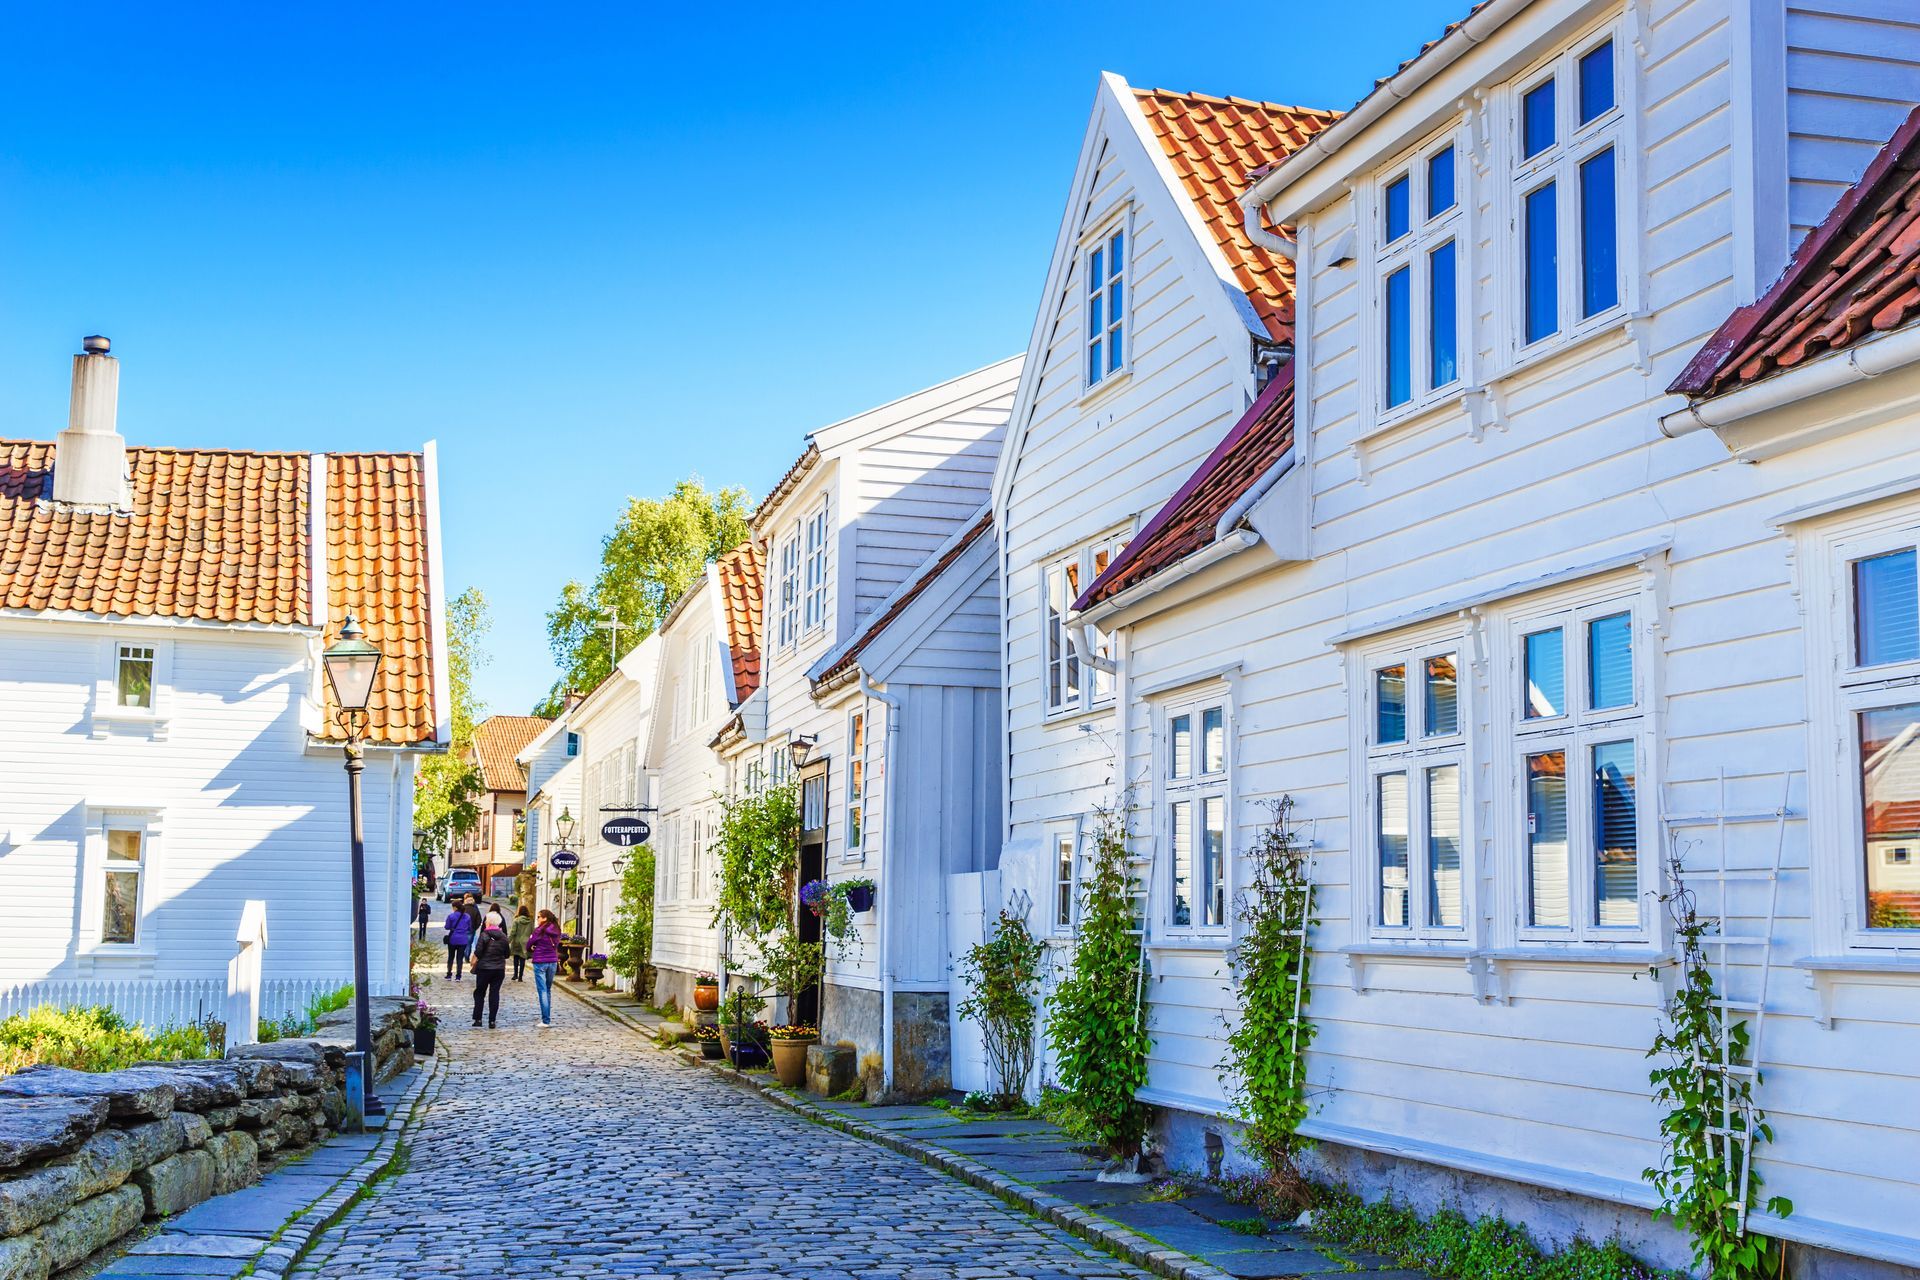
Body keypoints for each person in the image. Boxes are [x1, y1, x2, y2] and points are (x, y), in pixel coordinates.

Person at [470, 917, 510, 1029]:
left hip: (484, 969)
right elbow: (507, 954)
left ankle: (478, 1019)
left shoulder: (484, 935)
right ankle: (492, 1021)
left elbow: (478, 951)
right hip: (498, 969)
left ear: (489, 923)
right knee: (494, 993)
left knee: (479, 993)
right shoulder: (503, 936)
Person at [528, 909, 562, 1028]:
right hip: (552, 961)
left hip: (540, 961)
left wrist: (533, 947)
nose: (537, 919)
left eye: (539, 917)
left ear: (545, 918)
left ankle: (545, 1020)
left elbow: (529, 944)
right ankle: (546, 1019)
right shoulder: (556, 929)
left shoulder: (539, 930)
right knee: (547, 990)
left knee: (542, 991)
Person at [443, 901, 474, 979]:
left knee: (451, 957)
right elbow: (470, 928)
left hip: (453, 939)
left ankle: (449, 974)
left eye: (452, 907)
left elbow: (447, 927)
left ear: (455, 907)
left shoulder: (451, 916)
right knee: (460, 958)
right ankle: (458, 976)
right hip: (463, 939)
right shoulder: (467, 917)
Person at [509, 906, 533, 982]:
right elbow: (533, 932)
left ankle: (515, 974)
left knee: (516, 958)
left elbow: (513, 932)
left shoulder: (516, 920)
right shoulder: (530, 921)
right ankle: (520, 977)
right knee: (522, 959)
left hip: (516, 941)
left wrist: (508, 941)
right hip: (525, 942)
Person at [461, 894, 483, 965]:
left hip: (462, 929)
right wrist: (475, 927)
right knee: (469, 944)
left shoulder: (462, 909)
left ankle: (462, 955)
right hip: (471, 929)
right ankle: (467, 957)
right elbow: (479, 920)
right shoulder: (475, 910)